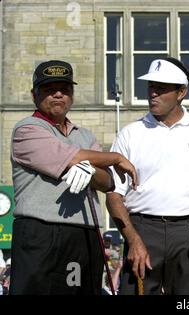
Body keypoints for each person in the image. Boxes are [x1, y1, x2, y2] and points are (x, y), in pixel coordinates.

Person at [9, 60, 138, 295]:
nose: (58, 94)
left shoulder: (85, 135)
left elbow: (107, 181)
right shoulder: (27, 129)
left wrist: (90, 169)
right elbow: (70, 158)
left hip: (83, 233)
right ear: (34, 95)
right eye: (49, 89)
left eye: (65, 89)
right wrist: (115, 157)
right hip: (41, 232)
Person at [106, 57, 189, 295]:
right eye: (151, 87)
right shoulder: (130, 133)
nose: (153, 94)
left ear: (181, 92)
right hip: (141, 229)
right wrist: (133, 238)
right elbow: (113, 195)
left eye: (161, 89)